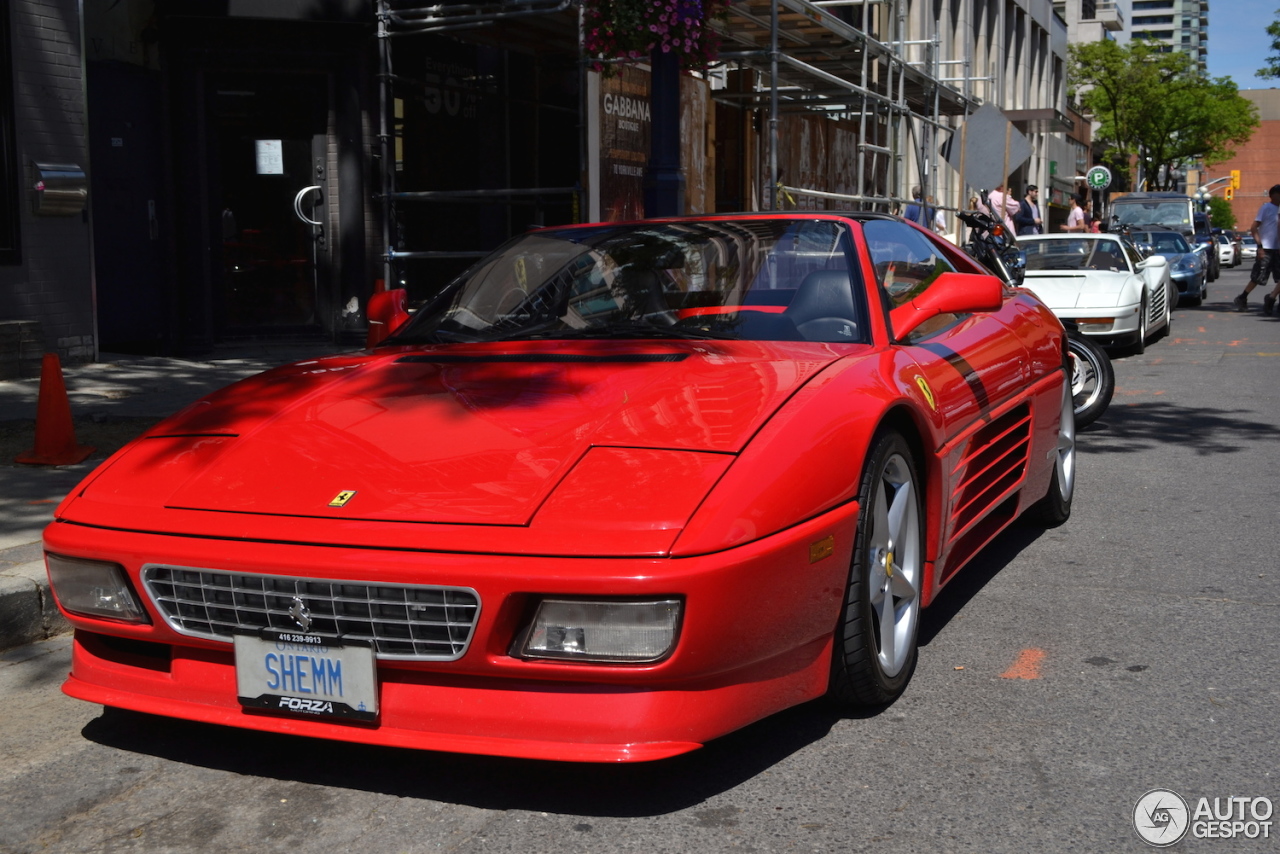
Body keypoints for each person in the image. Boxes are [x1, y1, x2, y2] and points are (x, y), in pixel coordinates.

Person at [1234, 184, 1280, 313]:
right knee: (1258, 276)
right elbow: (1254, 227)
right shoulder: (1266, 208)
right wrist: (1260, 246)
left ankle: (1272, 299)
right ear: (1273, 195)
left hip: (1278, 248)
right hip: (1266, 247)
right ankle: (1243, 297)